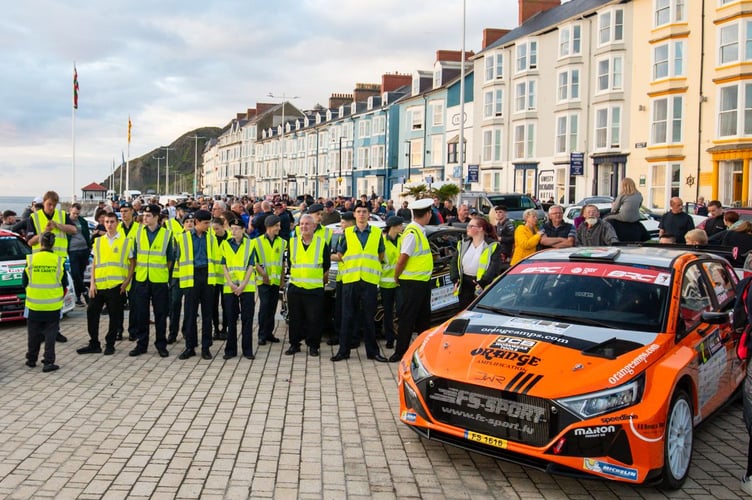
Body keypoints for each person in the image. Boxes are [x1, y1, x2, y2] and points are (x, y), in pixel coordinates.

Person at [331, 203, 388, 362]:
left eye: (364, 211)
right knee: (347, 316)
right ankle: (344, 351)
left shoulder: (377, 233)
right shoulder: (347, 233)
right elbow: (340, 254)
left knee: (369, 318)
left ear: (369, 214)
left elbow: (381, 254)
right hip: (351, 280)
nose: (361, 214)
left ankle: (372, 352)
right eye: (358, 212)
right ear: (355, 215)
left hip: (369, 280)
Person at [77, 212, 135, 356]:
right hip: (99, 286)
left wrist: (127, 281)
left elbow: (132, 262)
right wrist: (92, 284)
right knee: (92, 313)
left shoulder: (126, 241)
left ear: (117, 223)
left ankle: (110, 344)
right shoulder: (98, 241)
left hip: (116, 286)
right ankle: (94, 343)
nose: (109, 224)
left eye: (112, 222)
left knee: (114, 317)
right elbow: (95, 263)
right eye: (107, 222)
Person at [26, 191, 77, 343]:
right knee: (40, 299)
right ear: (44, 202)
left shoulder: (61, 215)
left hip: (58, 263)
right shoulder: (34, 217)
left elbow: (74, 230)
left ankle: (55, 330)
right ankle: (41, 332)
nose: (51, 208)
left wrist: (58, 225)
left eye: (54, 205)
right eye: (49, 205)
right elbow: (30, 242)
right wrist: (45, 232)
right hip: (40, 263)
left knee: (58, 297)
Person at [390, 198, 434, 363]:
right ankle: (400, 352)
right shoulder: (412, 233)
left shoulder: (419, 231)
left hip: (421, 282)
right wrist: (396, 275)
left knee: (424, 319)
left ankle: (423, 352)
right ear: (428, 214)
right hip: (411, 283)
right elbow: (403, 258)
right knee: (407, 319)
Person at [130, 204, 173, 358]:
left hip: (159, 279)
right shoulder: (139, 233)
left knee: (160, 314)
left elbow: (170, 259)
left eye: (148, 216)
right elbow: (134, 255)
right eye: (144, 215)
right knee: (142, 313)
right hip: (142, 278)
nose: (145, 218)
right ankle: (141, 344)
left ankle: (161, 344)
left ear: (156, 217)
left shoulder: (167, 235)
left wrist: (161, 272)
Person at [285, 214, 329, 357]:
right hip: (296, 287)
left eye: (307, 224)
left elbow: (326, 266)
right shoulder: (292, 243)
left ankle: (313, 346)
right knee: (295, 318)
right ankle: (294, 344)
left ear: (314, 226)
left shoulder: (321, 243)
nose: (303, 226)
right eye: (301, 224)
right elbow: (290, 264)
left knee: (314, 319)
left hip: (314, 288)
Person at [176, 210, 218, 360]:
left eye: (209, 223)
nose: (209, 226)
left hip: (207, 277)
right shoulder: (183, 238)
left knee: (207, 314)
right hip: (190, 277)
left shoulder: (211, 238)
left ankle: (206, 347)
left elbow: (216, 259)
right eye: (206, 223)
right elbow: (177, 258)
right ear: (196, 222)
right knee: (190, 314)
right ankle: (190, 346)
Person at [23, 231, 67, 372]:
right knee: (50, 334)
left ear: (40, 243)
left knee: (33, 333)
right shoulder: (59, 261)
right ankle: (48, 362)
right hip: (52, 305)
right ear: (53, 244)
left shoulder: (31, 260)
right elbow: (64, 283)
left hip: (34, 304)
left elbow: (24, 282)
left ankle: (31, 359)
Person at [220, 218, 256, 360]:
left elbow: (251, 266)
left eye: (236, 228)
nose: (233, 231)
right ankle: (230, 350)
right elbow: (224, 265)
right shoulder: (225, 244)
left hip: (246, 287)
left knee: (247, 319)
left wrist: (242, 285)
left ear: (243, 230)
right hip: (230, 287)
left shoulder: (250, 244)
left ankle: (247, 350)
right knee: (230, 318)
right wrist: (231, 283)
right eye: (231, 228)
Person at [450, 216, 503, 310]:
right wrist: (455, 278)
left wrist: (483, 282)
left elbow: (494, 266)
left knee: (480, 311)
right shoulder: (463, 243)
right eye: (468, 226)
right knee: (464, 311)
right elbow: (454, 261)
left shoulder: (493, 246)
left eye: (471, 226)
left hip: (481, 284)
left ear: (480, 228)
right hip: (464, 283)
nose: (468, 228)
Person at [253, 214, 286, 346]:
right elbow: (254, 262)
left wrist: (282, 279)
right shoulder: (257, 241)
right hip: (263, 280)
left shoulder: (282, 242)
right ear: (269, 227)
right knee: (264, 307)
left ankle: (269, 333)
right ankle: (262, 334)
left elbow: (283, 262)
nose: (279, 228)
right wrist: (264, 275)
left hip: (276, 281)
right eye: (277, 225)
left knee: (273, 308)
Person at [326, 211, 355, 347]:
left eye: (344, 222)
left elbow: (340, 256)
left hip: (352, 278)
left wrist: (327, 256)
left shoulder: (352, 237)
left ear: (351, 223)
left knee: (349, 310)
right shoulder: (342, 235)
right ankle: (339, 336)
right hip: (341, 276)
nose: (342, 225)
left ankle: (349, 338)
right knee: (339, 310)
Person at [380, 215, 403, 350]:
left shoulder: (403, 239)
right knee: (387, 313)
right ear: (393, 226)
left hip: (400, 282)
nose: (402, 227)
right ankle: (389, 339)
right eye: (400, 225)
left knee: (400, 311)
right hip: (386, 283)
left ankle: (399, 336)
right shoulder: (382, 241)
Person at [66, 203, 92, 306]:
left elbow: (86, 233)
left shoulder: (82, 221)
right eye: (73, 213)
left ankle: (77, 297)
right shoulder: (65, 221)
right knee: (75, 273)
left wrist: (89, 245)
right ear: (70, 210)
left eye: (77, 213)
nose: (75, 216)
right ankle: (84, 291)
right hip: (73, 250)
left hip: (84, 249)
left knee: (80, 275)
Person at [209, 217, 229, 341]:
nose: (215, 231)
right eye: (213, 229)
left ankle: (225, 329)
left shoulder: (230, 238)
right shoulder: (209, 238)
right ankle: (216, 329)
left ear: (223, 226)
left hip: (227, 278)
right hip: (213, 278)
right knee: (213, 305)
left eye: (217, 228)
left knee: (226, 305)